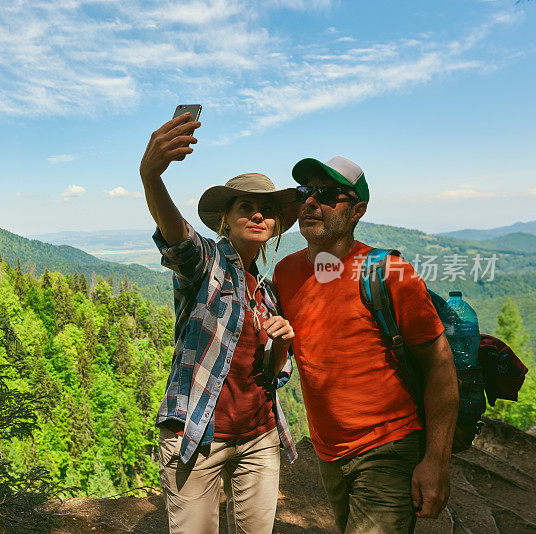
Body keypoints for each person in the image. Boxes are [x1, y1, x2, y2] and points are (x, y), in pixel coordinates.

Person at [272, 156, 459, 534]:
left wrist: (437, 461)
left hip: (388, 448)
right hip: (328, 452)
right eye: (305, 191)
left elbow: (440, 366)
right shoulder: (286, 271)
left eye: (326, 194)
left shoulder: (390, 273)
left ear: (357, 210)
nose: (310, 202)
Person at [139, 112, 300, 534]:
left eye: (268, 209)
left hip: (260, 438)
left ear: (277, 225)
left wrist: (282, 347)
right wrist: (151, 177)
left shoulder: (266, 292)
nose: (259, 215)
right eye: (246, 206)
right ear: (224, 219)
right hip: (197, 434)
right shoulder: (207, 262)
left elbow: (269, 375)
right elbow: (178, 238)